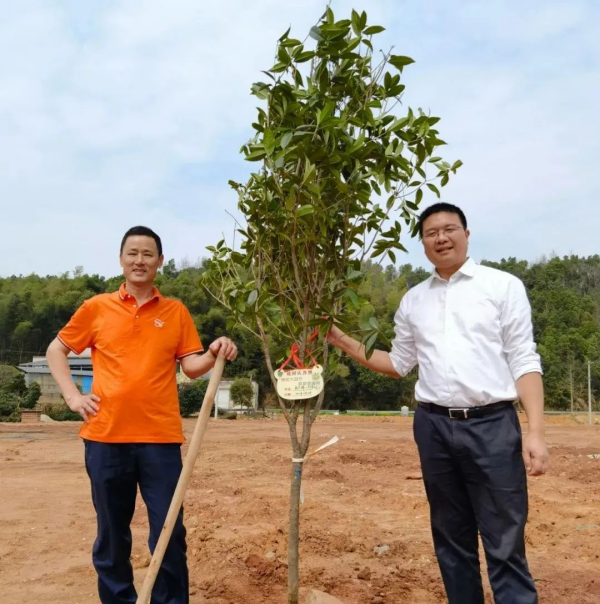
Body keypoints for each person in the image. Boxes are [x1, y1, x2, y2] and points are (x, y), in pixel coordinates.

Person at [327, 202, 548, 604]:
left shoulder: (501, 287)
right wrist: (341, 339)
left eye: (449, 229)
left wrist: (535, 431)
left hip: (493, 426)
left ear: (466, 234)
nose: (441, 238)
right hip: (433, 427)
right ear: (423, 244)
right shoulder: (414, 300)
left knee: (504, 539)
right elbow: (397, 363)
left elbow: (524, 358)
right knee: (451, 537)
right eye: (431, 233)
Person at [46, 226, 237, 604]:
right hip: (105, 437)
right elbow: (57, 350)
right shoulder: (96, 307)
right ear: (121, 259)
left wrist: (215, 350)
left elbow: (191, 367)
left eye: (148, 254)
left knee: (169, 532)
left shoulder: (175, 311)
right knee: (112, 533)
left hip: (160, 441)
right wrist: (72, 396)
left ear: (160, 262)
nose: (140, 260)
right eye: (132, 253)